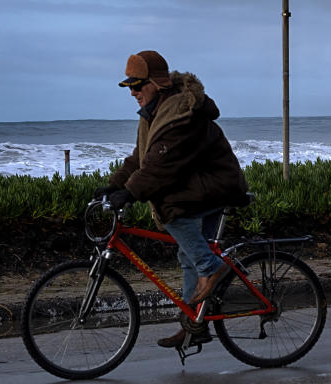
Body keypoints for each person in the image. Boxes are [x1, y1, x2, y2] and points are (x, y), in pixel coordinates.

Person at [99, 50, 249, 349]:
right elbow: (140, 158)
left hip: (218, 185)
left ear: (157, 83)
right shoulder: (154, 113)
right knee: (187, 255)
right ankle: (195, 324)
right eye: (129, 86)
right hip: (201, 184)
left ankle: (213, 268)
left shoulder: (181, 114)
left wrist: (129, 193)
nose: (133, 92)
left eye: (138, 85)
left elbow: (159, 168)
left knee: (172, 210)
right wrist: (111, 186)